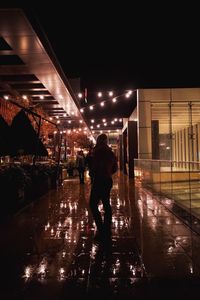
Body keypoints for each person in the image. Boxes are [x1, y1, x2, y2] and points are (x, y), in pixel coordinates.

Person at [89, 133, 118, 242]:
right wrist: (108, 172)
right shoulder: (110, 152)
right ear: (106, 141)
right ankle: (106, 228)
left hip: (99, 180)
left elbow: (94, 167)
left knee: (93, 204)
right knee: (106, 203)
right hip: (107, 180)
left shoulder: (96, 152)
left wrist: (93, 173)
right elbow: (115, 168)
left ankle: (101, 229)